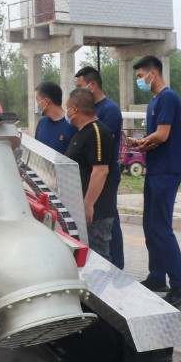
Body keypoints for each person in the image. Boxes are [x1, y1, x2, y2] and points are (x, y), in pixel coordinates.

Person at [126, 55, 181, 307]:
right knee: (149, 224)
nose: (139, 80)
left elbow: (163, 135)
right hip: (156, 168)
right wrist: (143, 143)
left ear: (153, 73)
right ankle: (157, 277)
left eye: (140, 75)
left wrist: (147, 141)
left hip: (167, 170)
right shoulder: (154, 101)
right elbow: (156, 136)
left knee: (161, 227)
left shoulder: (168, 97)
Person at [74, 65, 125, 268]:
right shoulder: (94, 109)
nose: (79, 91)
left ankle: (117, 269)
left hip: (104, 174)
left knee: (108, 223)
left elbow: (102, 148)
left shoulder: (109, 110)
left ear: (92, 85)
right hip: (91, 174)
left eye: (81, 86)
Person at [64, 88, 120, 265]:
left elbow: (101, 170)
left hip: (97, 211)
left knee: (99, 262)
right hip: (84, 210)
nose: (67, 113)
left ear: (74, 108)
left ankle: (105, 293)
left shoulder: (97, 132)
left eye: (67, 108)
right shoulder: (81, 133)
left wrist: (88, 204)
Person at [33, 81, 77, 154]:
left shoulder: (72, 124)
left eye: (37, 100)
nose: (37, 105)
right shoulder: (41, 123)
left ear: (46, 101)